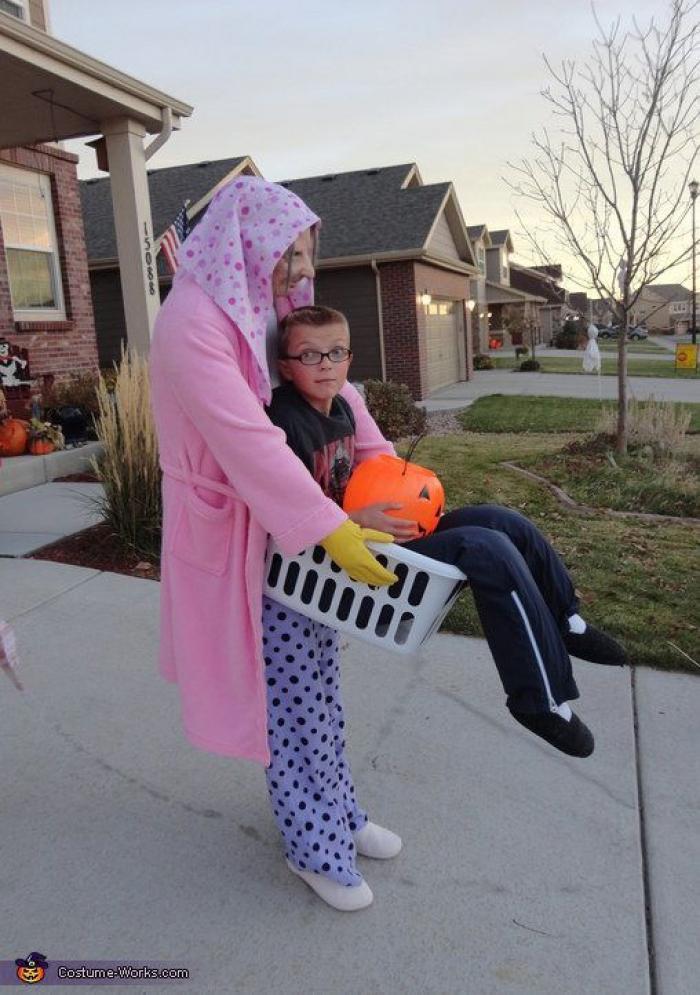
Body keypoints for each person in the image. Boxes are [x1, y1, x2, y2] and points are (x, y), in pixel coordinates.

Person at [149, 176, 402, 914]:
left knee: (319, 685)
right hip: (245, 538)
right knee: (285, 703)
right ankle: (311, 847)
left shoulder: (265, 300)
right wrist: (328, 526)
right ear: (250, 240)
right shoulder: (192, 321)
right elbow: (247, 438)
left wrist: (385, 464)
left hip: (293, 527)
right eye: (291, 253)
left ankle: (341, 814)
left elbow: (338, 391)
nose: (300, 270)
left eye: (306, 253)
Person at [266, 304, 628, 762]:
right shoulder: (279, 421)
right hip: (348, 564)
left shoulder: (342, 407)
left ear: (349, 358)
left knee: (503, 521)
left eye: (336, 353)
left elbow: (376, 464)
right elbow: (285, 504)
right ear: (284, 366)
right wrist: (352, 520)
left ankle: (567, 621)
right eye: (309, 356)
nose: (325, 365)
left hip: (382, 534)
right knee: (485, 547)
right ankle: (540, 701)